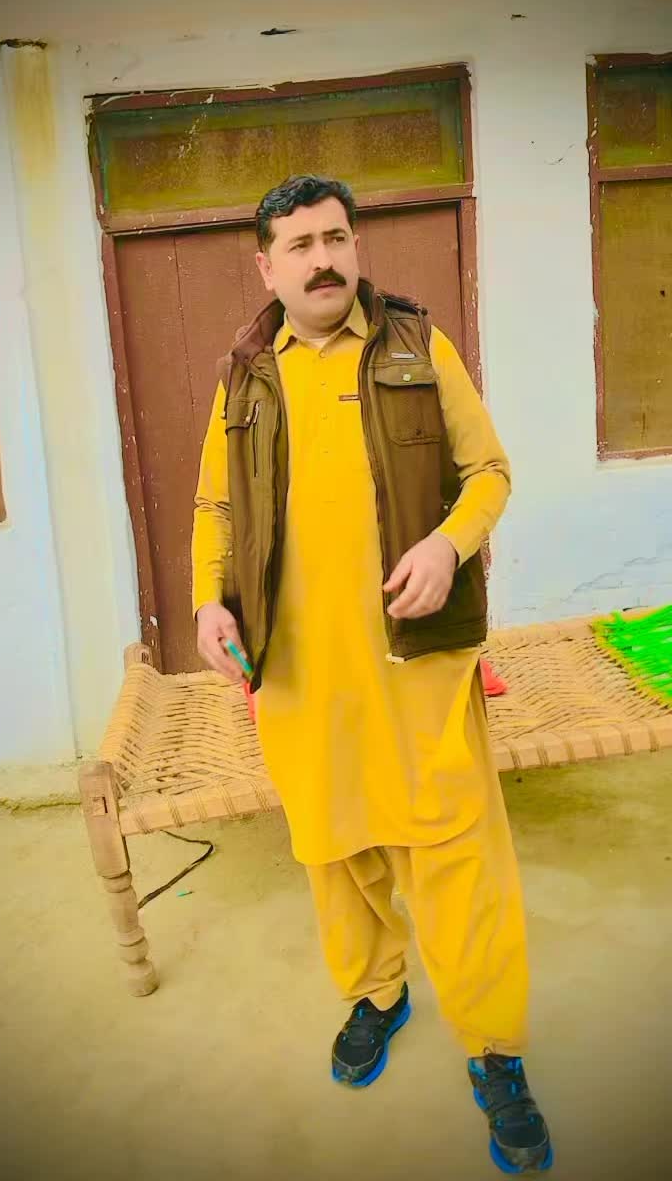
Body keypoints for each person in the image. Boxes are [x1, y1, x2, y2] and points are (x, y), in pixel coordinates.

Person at [192, 175, 553, 1174]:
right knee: (332, 847)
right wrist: (209, 601)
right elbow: (215, 507)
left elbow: (490, 474)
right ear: (266, 266)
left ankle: (495, 1049)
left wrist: (446, 544)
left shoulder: (417, 346)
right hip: (299, 675)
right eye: (300, 244)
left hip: (417, 669)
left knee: (457, 859)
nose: (323, 259)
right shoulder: (245, 375)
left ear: (355, 244)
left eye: (335, 237)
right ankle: (377, 992)